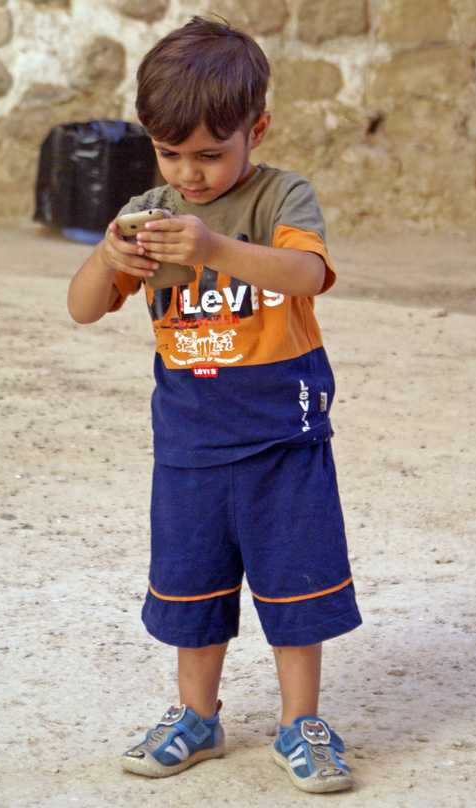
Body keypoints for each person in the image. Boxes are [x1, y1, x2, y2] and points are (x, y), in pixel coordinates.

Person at [67, 15, 362, 794]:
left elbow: (308, 277)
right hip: (191, 445)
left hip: (282, 440)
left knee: (297, 590)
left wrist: (213, 249)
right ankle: (197, 718)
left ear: (255, 129)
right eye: (172, 154)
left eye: (211, 154)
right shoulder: (150, 212)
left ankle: (303, 723)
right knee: (191, 590)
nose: (190, 175)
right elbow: (84, 309)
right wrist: (107, 254)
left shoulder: (280, 197)